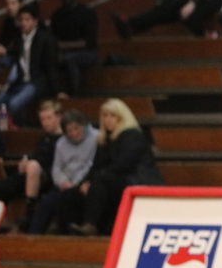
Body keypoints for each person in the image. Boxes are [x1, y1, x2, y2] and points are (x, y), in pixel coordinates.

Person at [66, 98, 163, 235]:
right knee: (71, 193)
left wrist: (95, 179)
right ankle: (68, 233)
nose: (108, 119)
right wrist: (85, 182)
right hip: (115, 180)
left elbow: (124, 164)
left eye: (112, 116)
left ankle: (91, 225)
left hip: (136, 179)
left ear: (122, 117)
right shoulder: (105, 139)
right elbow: (96, 165)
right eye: (105, 116)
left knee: (101, 180)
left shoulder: (132, 135)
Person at [0, 100, 63, 227]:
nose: (46, 122)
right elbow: (36, 156)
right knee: (23, 173)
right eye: (42, 119)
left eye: (49, 118)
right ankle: (0, 210)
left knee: (30, 169)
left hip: (50, 176)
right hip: (32, 176)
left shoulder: (63, 140)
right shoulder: (44, 138)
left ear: (59, 117)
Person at [28, 109, 98, 234]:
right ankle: (33, 237)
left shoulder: (96, 138)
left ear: (83, 125)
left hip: (83, 183)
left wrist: (76, 183)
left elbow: (91, 164)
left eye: (76, 128)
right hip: (63, 184)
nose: (74, 133)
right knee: (45, 203)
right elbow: (57, 167)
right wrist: (63, 182)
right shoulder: (61, 143)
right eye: (69, 131)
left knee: (67, 200)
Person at [0, 3, 60, 124]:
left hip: (36, 81)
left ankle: (14, 128)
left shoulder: (45, 39)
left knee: (14, 103)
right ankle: (2, 127)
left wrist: (58, 90)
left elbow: (51, 66)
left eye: (27, 19)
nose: (23, 23)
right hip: (20, 81)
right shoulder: (19, 38)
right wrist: (4, 52)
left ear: (35, 21)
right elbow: (15, 54)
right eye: (21, 19)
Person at [50, 0, 98, 96]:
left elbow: (89, 42)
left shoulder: (87, 13)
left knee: (70, 59)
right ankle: (55, 94)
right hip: (64, 53)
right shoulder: (57, 15)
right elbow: (53, 39)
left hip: (88, 53)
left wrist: (63, 46)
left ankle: (74, 95)